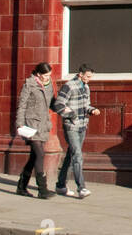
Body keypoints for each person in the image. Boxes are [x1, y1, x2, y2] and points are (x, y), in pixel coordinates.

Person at [53, 63, 100, 198]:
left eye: (90, 77)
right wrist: (71, 115)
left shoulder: (86, 87)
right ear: (80, 74)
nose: (89, 79)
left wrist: (92, 110)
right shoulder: (69, 86)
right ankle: (82, 188)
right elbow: (58, 104)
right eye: (87, 76)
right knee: (77, 155)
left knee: (71, 154)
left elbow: (86, 105)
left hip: (82, 125)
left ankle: (61, 185)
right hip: (71, 126)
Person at [15, 62, 56, 199]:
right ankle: (42, 189)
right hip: (31, 125)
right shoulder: (29, 84)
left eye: (49, 75)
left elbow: (52, 103)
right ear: (38, 74)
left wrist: (64, 109)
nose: (48, 77)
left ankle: (21, 186)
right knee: (40, 154)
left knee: (34, 157)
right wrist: (20, 124)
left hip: (44, 125)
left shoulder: (49, 84)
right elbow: (22, 105)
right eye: (45, 75)